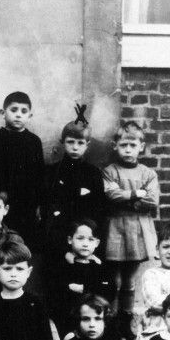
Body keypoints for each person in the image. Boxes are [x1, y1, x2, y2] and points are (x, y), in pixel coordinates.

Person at [103, 121, 159, 338]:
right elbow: (111, 195)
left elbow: (152, 200)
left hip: (137, 229)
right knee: (113, 280)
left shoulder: (148, 173)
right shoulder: (110, 171)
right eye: (123, 144)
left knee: (129, 280)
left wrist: (127, 200)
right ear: (115, 145)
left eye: (133, 145)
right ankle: (110, 319)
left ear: (141, 147)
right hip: (115, 229)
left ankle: (126, 318)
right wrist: (136, 195)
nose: (128, 149)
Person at [0, 92, 44, 244]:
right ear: (3, 113)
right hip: (0, 203)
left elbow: (39, 175)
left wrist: (39, 204)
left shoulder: (34, 142)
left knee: (23, 241)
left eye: (23, 111)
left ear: (30, 115)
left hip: (26, 204)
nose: (18, 115)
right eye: (13, 110)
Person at [42, 104, 104, 256]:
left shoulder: (93, 173)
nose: (75, 147)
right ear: (63, 142)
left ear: (87, 145)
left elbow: (98, 208)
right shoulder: (52, 171)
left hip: (84, 238)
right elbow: (47, 204)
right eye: (70, 142)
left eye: (80, 143)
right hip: (58, 234)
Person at [49, 218, 115, 334]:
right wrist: (68, 288)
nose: (85, 244)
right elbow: (55, 289)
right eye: (80, 238)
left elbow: (110, 290)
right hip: (68, 318)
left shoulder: (100, 267)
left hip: (94, 319)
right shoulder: (63, 265)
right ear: (70, 239)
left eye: (90, 240)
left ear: (97, 243)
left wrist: (87, 290)